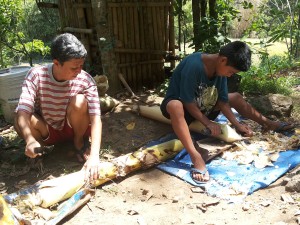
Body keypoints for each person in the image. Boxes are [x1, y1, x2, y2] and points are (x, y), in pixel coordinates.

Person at [160, 41, 293, 184]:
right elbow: (187, 101)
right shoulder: (194, 65)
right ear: (223, 60)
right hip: (184, 110)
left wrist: (237, 124)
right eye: (231, 72)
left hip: (204, 106)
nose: (230, 75)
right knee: (175, 105)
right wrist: (208, 122)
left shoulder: (221, 71)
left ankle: (269, 123)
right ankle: (196, 156)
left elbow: (223, 102)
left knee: (235, 97)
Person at [14, 33, 102, 181]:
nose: (79, 71)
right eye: (74, 67)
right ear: (56, 63)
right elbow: (23, 111)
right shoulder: (36, 75)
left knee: (80, 101)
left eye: (81, 66)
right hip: (47, 129)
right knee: (19, 116)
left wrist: (94, 156)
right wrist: (29, 139)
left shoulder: (86, 80)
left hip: (73, 127)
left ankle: (78, 142)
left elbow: (96, 119)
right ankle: (38, 149)